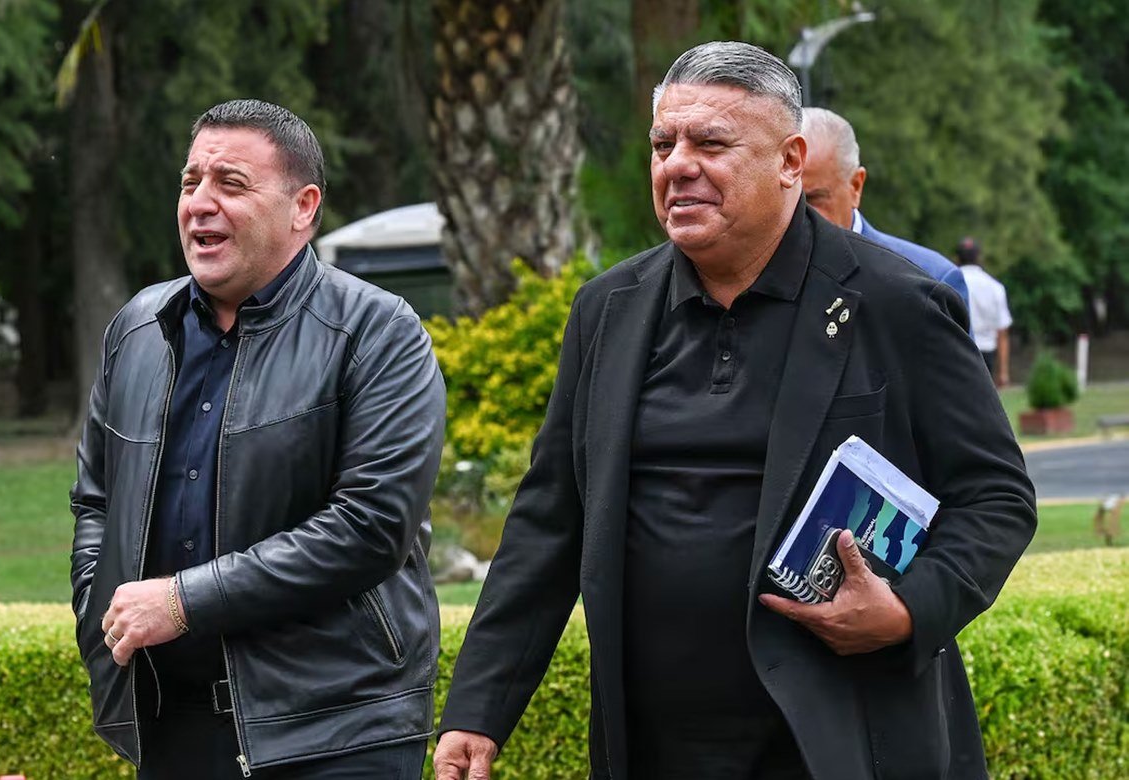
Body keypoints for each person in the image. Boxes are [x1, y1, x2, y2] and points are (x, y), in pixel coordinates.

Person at [435, 42, 1035, 780]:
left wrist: (910, 610)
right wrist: (478, 710)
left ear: (790, 161)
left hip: (839, 739)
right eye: (663, 144)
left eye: (711, 144)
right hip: (655, 745)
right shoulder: (608, 310)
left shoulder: (896, 303)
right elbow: (549, 520)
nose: (678, 165)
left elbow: (996, 497)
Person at [70, 99, 446, 779]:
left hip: (338, 735)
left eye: (231, 184)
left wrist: (183, 602)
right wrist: (97, 610)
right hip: (171, 725)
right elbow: (95, 500)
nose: (200, 204)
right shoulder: (137, 330)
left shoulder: (378, 333)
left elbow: (370, 527)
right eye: (191, 183)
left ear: (303, 207)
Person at [799, 107, 971, 309]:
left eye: (814, 199)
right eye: (786, 200)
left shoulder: (930, 281)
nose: (797, 214)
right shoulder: (767, 272)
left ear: (855, 186)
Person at [955, 236, 1013, 387]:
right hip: (986, 354)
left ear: (957, 258)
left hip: (957, 350)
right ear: (979, 257)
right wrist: (1003, 372)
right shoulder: (994, 287)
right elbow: (1002, 332)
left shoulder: (948, 283)